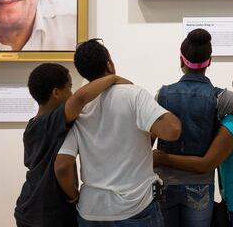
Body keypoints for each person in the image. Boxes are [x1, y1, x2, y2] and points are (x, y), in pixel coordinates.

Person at [155, 29, 233, 227]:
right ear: (209, 61)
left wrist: (160, 158)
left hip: (165, 184)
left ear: (181, 60)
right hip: (200, 187)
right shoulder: (222, 98)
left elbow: (145, 142)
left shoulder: (162, 94)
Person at [55, 38, 181, 226]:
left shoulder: (77, 108)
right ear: (110, 65)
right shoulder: (134, 94)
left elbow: (62, 165)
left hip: (91, 211)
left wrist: (74, 198)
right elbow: (172, 130)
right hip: (136, 207)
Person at [14, 62, 132, 227]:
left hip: (27, 208)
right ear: (56, 92)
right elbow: (80, 98)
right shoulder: (50, 122)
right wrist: (112, 78)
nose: (71, 93)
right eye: (69, 88)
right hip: (51, 213)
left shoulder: (33, 125)